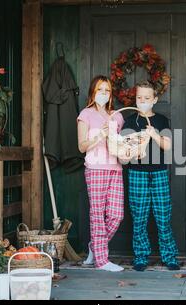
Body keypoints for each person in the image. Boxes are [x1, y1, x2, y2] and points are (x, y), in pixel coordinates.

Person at [122, 80, 180, 272]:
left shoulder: (162, 120)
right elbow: (124, 151)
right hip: (136, 173)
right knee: (139, 216)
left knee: (163, 216)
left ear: (154, 99)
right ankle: (140, 256)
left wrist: (154, 135)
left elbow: (168, 146)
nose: (143, 101)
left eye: (147, 98)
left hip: (159, 173)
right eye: (139, 98)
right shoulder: (130, 121)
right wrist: (133, 150)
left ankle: (169, 256)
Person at [77, 75, 125, 272]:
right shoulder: (86, 114)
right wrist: (101, 135)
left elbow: (118, 145)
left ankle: (94, 247)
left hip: (115, 168)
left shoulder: (117, 116)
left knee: (116, 215)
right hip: (95, 169)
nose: (103, 94)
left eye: (107, 90)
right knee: (97, 215)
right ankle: (102, 261)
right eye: (100, 90)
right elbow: (81, 146)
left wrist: (131, 149)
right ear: (93, 92)